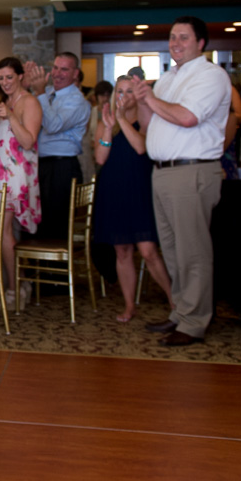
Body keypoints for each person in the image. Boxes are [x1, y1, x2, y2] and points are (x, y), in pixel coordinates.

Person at [133, 16, 230, 347]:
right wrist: (140, 98)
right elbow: (149, 123)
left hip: (192, 170)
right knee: (173, 250)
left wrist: (150, 99)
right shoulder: (169, 77)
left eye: (183, 38)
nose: (175, 43)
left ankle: (194, 321)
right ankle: (181, 312)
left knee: (193, 251)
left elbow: (188, 117)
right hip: (163, 170)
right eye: (172, 37)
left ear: (201, 43)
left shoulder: (211, 76)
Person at [92, 76, 173, 323]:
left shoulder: (146, 116)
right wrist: (108, 126)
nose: (123, 96)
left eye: (128, 91)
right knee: (122, 251)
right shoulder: (106, 121)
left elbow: (141, 147)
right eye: (120, 91)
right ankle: (129, 306)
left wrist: (121, 121)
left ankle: (175, 300)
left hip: (139, 188)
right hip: (113, 189)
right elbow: (100, 157)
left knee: (148, 250)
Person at [0, 57, 42, 308]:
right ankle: (21, 280)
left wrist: (11, 117)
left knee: (5, 234)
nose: (5, 82)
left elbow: (28, 141)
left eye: (9, 77)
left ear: (19, 76)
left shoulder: (30, 102)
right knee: (0, 233)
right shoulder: (0, 102)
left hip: (16, 174)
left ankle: (12, 289)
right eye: (2, 78)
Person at [24, 53, 91, 241]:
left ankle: (56, 270)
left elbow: (53, 125)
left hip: (62, 167)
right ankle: (41, 270)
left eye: (64, 69)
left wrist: (39, 93)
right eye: (55, 68)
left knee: (56, 222)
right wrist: (25, 85)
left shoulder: (77, 100)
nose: (57, 73)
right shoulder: (48, 94)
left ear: (75, 73)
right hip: (41, 164)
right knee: (40, 221)